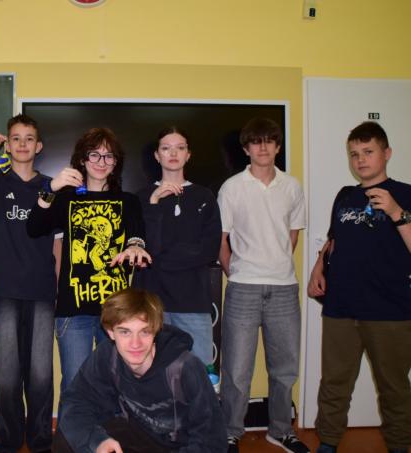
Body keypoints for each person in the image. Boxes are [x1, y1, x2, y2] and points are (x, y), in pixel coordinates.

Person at [307, 121, 411, 453]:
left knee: (394, 387)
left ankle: (399, 445)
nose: (360, 160)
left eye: (368, 152)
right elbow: (334, 239)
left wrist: (397, 212)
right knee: (334, 383)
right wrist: (318, 266)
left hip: (390, 309)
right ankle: (328, 442)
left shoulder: (406, 194)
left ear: (387, 153)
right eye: (354, 154)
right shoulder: (345, 196)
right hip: (340, 306)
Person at [27, 127, 151, 401]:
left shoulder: (128, 201)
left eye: (108, 156)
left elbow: (137, 235)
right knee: (75, 386)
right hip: (74, 311)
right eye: (94, 154)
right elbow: (34, 227)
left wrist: (135, 246)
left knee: (118, 386)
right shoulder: (67, 199)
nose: (101, 161)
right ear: (82, 160)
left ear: (116, 163)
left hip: (118, 312)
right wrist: (50, 188)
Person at [0, 114, 59, 453]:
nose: (22, 144)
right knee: (6, 375)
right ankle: (8, 440)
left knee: (40, 374)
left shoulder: (51, 187)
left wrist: (57, 286)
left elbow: (58, 243)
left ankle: (40, 440)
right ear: (7, 144)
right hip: (4, 290)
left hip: (41, 291)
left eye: (29, 138)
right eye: (15, 138)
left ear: (39, 146)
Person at [217, 118, 308, 453]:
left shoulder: (292, 187)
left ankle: (280, 431)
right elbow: (221, 239)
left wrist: (275, 264)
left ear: (278, 146)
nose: (263, 147)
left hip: (284, 288)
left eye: (270, 140)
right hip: (243, 288)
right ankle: (231, 432)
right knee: (236, 370)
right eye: (256, 141)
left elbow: (292, 235)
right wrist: (237, 272)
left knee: (285, 368)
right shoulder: (232, 188)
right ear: (246, 149)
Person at [53, 287, 227, 453]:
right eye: (125, 332)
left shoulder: (185, 367)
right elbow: (76, 402)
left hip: (178, 447)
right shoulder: (108, 355)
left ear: (156, 330)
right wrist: (97, 441)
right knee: (68, 439)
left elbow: (212, 441)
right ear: (110, 332)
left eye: (145, 332)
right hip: (138, 437)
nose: (135, 344)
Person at [134, 126, 222, 366]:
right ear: (157, 155)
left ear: (188, 154)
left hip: (193, 301)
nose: (173, 153)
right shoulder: (141, 198)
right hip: (151, 303)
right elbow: (147, 248)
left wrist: (162, 258)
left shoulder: (204, 197)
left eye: (180, 148)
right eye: (166, 148)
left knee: (198, 373)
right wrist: (154, 203)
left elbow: (209, 250)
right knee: (150, 373)